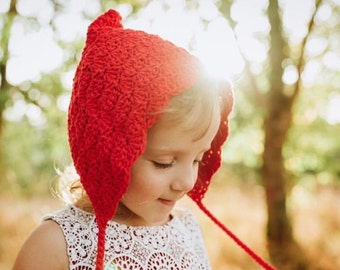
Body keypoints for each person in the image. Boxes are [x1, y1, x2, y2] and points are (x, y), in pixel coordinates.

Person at [13, 9, 275, 270]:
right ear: (106, 153)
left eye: (197, 159)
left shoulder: (186, 228)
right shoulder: (55, 246)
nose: (187, 181)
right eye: (164, 162)